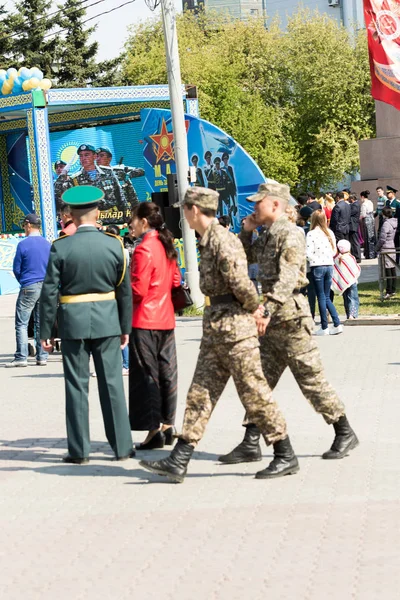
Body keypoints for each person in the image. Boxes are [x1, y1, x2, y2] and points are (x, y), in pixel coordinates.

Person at [140, 187, 299, 483]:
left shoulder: (222, 240)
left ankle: (284, 453)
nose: (183, 215)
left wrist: (258, 310)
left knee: (255, 393)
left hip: (235, 330)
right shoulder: (209, 239)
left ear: (194, 210)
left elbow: (240, 283)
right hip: (217, 328)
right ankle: (180, 458)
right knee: (200, 392)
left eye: (184, 209)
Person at [218, 183, 358, 466]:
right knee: (259, 382)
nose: (254, 208)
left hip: (291, 320)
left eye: (259, 203)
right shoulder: (269, 234)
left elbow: (288, 279)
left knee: (311, 381)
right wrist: (246, 231)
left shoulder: (291, 235)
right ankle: (250, 442)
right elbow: (245, 256)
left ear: (275, 205)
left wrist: (266, 309)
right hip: (272, 323)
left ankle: (344, 431)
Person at [39, 186, 134, 464]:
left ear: (70, 215)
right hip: (107, 321)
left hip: (73, 323)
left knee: (76, 386)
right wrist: (125, 327)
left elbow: (49, 293)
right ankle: (122, 447)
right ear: (99, 213)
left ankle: (79, 451)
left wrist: (46, 332)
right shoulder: (114, 244)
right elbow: (124, 291)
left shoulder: (60, 246)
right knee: (113, 384)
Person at [129, 202, 182, 450]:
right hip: (166, 317)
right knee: (167, 373)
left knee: (147, 376)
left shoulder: (143, 250)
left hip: (144, 319)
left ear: (144, 222)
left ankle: (153, 431)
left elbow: (138, 290)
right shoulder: (166, 246)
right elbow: (175, 280)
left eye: (133, 219)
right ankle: (168, 425)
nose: (131, 223)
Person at [6, 214, 51, 368]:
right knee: (40, 323)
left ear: (28, 225)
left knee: (22, 323)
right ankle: (42, 356)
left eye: (24, 226)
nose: (24, 229)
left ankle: (21, 357)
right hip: (44, 286)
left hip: (29, 286)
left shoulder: (23, 244)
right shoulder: (47, 244)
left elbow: (17, 269)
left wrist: (24, 282)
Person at [54, 144, 123, 215]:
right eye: (81, 156)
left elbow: (121, 197)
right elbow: (57, 192)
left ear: (95, 156)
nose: (83, 158)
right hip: (89, 220)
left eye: (86, 155)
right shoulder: (75, 179)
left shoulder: (108, 172)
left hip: (113, 219)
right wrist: (63, 174)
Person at [306, 210, 343, 336]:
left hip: (317, 266)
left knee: (321, 296)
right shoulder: (329, 232)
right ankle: (336, 323)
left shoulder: (311, 234)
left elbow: (308, 252)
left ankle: (325, 326)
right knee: (326, 296)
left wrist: (310, 260)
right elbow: (334, 251)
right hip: (329, 265)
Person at [107, 224, 130, 376]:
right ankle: (124, 364)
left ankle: (124, 364)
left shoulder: (117, 252)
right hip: (119, 294)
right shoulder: (124, 251)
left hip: (112, 294)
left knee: (117, 332)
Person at [332, 240, 361, 320]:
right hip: (352, 282)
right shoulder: (351, 257)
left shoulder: (337, 259)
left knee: (346, 299)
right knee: (353, 298)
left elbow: (336, 273)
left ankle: (348, 314)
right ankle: (353, 314)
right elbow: (356, 269)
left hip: (343, 283)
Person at [376, 206, 397, 299]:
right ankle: (393, 289)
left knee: (388, 271)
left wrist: (377, 248)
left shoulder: (386, 224)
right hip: (392, 246)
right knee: (392, 269)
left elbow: (382, 239)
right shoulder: (394, 222)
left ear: (384, 214)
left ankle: (389, 291)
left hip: (386, 248)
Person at [360, 190, 376, 259]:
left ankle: (369, 254)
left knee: (367, 237)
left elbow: (363, 214)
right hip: (371, 219)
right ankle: (373, 253)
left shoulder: (364, 204)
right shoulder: (370, 202)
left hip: (366, 220)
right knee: (372, 236)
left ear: (362, 197)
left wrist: (359, 218)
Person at [221, 152, 238, 216]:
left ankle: (235, 209)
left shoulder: (230, 168)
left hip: (231, 185)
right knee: (228, 200)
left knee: (233, 198)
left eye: (226, 159)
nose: (225, 160)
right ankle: (230, 210)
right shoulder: (222, 169)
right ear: (223, 160)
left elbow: (233, 177)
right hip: (226, 186)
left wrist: (234, 187)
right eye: (224, 159)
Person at [348, 193, 362, 263]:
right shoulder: (354, 204)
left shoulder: (355, 205)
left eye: (349, 199)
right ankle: (355, 256)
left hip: (353, 226)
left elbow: (351, 212)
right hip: (352, 226)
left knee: (355, 242)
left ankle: (357, 257)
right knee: (353, 242)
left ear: (352, 199)